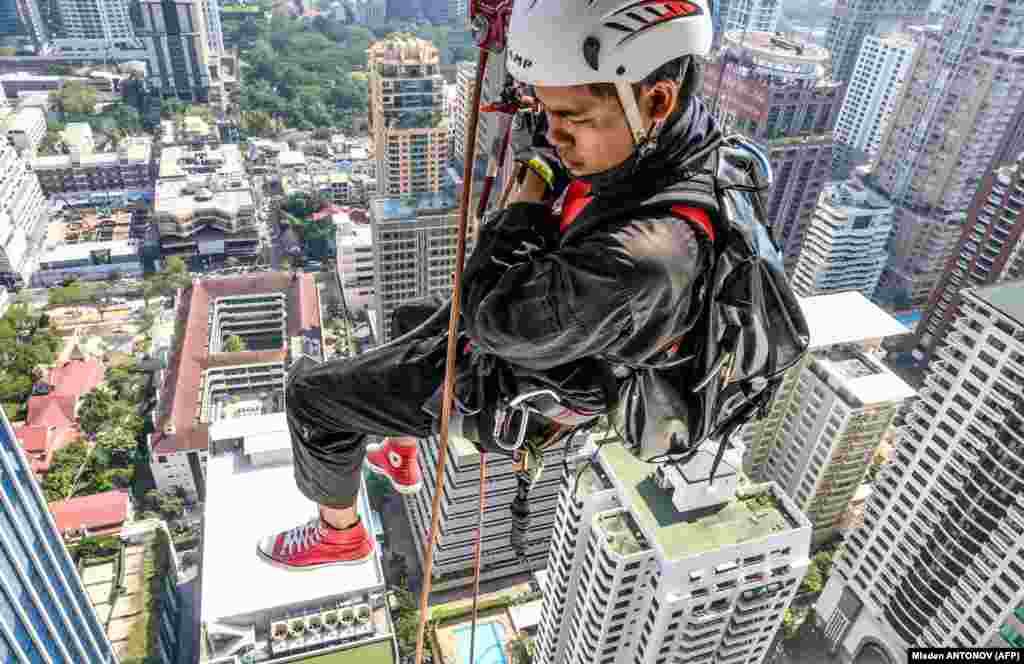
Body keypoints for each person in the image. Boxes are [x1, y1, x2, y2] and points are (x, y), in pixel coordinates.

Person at [257, 0, 719, 569]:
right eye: (548, 113)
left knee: (311, 399)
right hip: (556, 335)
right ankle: (400, 450)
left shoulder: (645, 256)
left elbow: (489, 319)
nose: (555, 135)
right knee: (409, 317)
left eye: (571, 118)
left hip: (518, 382)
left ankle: (340, 532)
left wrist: (527, 195)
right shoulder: (672, 140)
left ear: (655, 99)